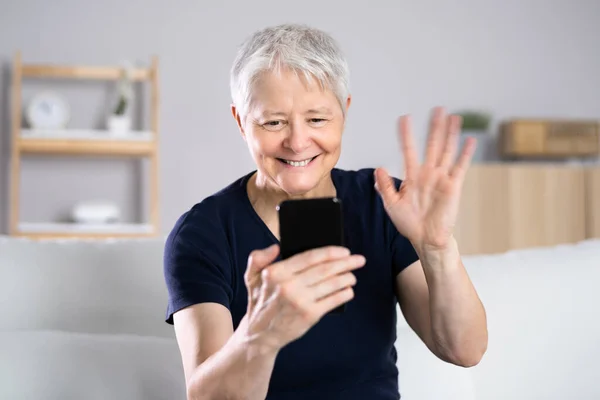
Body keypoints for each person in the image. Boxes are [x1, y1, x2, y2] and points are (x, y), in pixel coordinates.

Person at [163, 23, 488, 400]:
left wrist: (436, 248)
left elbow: (464, 350)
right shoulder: (203, 233)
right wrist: (261, 333)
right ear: (240, 121)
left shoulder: (389, 206)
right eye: (274, 122)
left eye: (317, 119)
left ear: (344, 113)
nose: (298, 142)